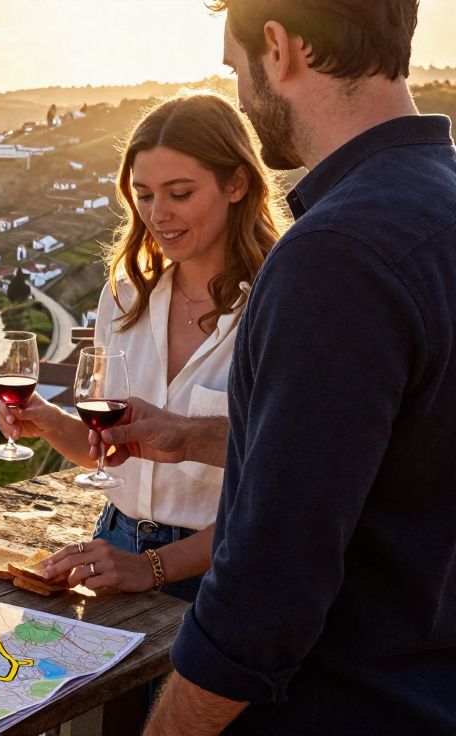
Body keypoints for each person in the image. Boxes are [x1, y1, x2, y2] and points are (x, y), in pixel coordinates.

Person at [90, 2, 455, 733]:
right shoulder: (438, 206)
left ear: (280, 49)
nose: (242, 97)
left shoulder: (335, 254)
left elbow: (268, 590)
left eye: (235, 68)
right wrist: (188, 438)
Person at [0, 91, 282, 601]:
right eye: (144, 195)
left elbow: (284, 484)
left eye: (179, 192)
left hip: (225, 570)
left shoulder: (280, 307)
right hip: (115, 550)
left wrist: (151, 566)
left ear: (236, 183)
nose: (158, 214)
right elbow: (109, 453)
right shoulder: (125, 297)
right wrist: (47, 421)